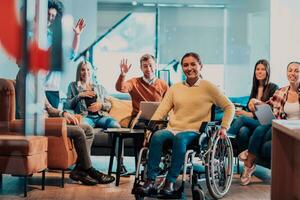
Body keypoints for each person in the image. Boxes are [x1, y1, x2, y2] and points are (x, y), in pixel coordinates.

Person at [136, 52, 235, 196]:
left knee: (180, 138)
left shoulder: (209, 87)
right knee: (157, 136)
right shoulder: (175, 88)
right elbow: (162, 110)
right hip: (173, 129)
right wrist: (150, 129)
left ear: (201, 66)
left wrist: (224, 127)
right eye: (185, 65)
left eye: (193, 64)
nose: (189, 68)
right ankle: (150, 181)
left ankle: (170, 183)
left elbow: (229, 107)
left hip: (194, 132)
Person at [16, 0, 86, 119]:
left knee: (53, 125)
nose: (50, 18)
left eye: (53, 16)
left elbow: (71, 54)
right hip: (37, 87)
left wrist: (77, 35)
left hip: (52, 90)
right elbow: (20, 61)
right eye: (48, 15)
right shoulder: (30, 34)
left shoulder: (55, 38)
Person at [240, 61, 300, 186]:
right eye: (290, 70)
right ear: (287, 73)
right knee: (261, 130)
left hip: (296, 132)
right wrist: (255, 102)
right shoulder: (281, 91)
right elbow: (267, 106)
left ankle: (249, 157)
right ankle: (249, 161)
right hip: (280, 128)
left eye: (296, 71)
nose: (292, 73)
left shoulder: (274, 87)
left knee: (263, 137)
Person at [115, 54, 169, 174]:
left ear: (155, 66)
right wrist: (123, 75)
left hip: (158, 120)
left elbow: (169, 103)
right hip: (139, 119)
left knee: (162, 132)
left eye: (150, 65)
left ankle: (156, 165)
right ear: (141, 68)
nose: (148, 68)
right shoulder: (134, 82)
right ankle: (142, 166)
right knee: (139, 130)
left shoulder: (163, 84)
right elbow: (120, 88)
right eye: (145, 66)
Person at [227, 59, 278, 154]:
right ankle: (244, 158)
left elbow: (271, 111)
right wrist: (246, 112)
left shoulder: (273, 87)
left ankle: (224, 142)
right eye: (257, 69)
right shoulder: (255, 88)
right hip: (256, 121)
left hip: (266, 122)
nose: (259, 71)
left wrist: (251, 113)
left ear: (267, 71)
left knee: (242, 119)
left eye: (263, 69)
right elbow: (250, 108)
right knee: (243, 131)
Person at [67, 60, 120, 129]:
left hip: (101, 117)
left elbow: (109, 105)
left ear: (92, 71)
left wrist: (101, 105)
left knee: (115, 125)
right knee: (82, 127)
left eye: (88, 70)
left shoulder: (100, 87)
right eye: (82, 70)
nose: (86, 72)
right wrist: (79, 95)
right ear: (78, 72)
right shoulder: (72, 86)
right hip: (85, 117)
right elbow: (68, 105)